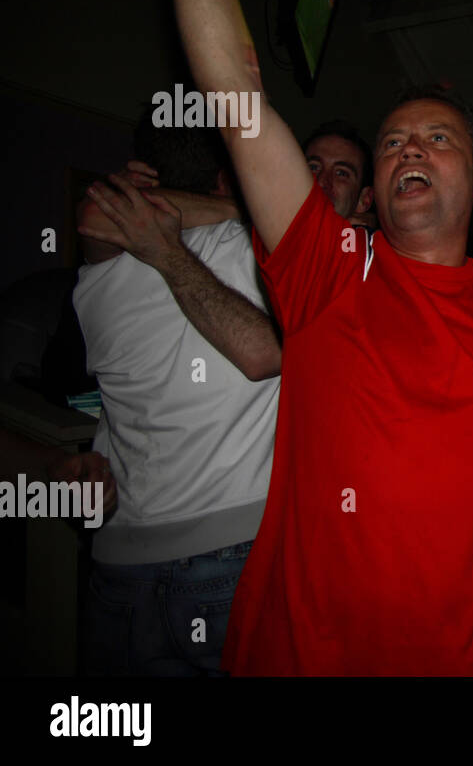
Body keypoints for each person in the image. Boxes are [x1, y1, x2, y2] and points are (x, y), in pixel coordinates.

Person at [124, 0, 473, 675]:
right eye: (394, 140)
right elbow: (235, 92)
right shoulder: (330, 267)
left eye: (438, 140)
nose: (408, 151)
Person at [73, 120, 280, 675]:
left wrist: (132, 202)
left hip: (120, 561)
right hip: (225, 551)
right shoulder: (250, 244)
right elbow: (265, 355)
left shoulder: (100, 265)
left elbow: (93, 215)